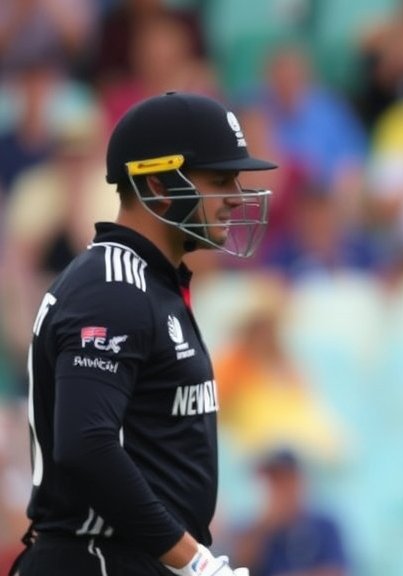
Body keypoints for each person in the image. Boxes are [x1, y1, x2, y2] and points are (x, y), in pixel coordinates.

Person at [12, 91, 277, 576]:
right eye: (220, 179)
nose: (237, 195)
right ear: (157, 184)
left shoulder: (151, 284)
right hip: (98, 561)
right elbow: (86, 446)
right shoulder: (113, 290)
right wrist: (195, 562)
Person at [229, 447, 348, 576]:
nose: (281, 488)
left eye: (285, 479)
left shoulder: (323, 526)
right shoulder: (254, 527)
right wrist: (266, 526)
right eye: (275, 481)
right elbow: (239, 563)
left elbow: (336, 570)